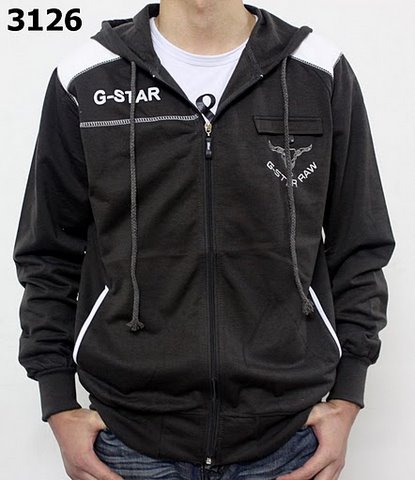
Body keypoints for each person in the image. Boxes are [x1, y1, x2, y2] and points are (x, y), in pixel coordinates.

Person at [12, 1, 395, 479]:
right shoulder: (87, 77)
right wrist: (57, 401)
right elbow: (48, 252)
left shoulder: (317, 70)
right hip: (128, 435)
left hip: (287, 436)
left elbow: (360, 243)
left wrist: (348, 395)